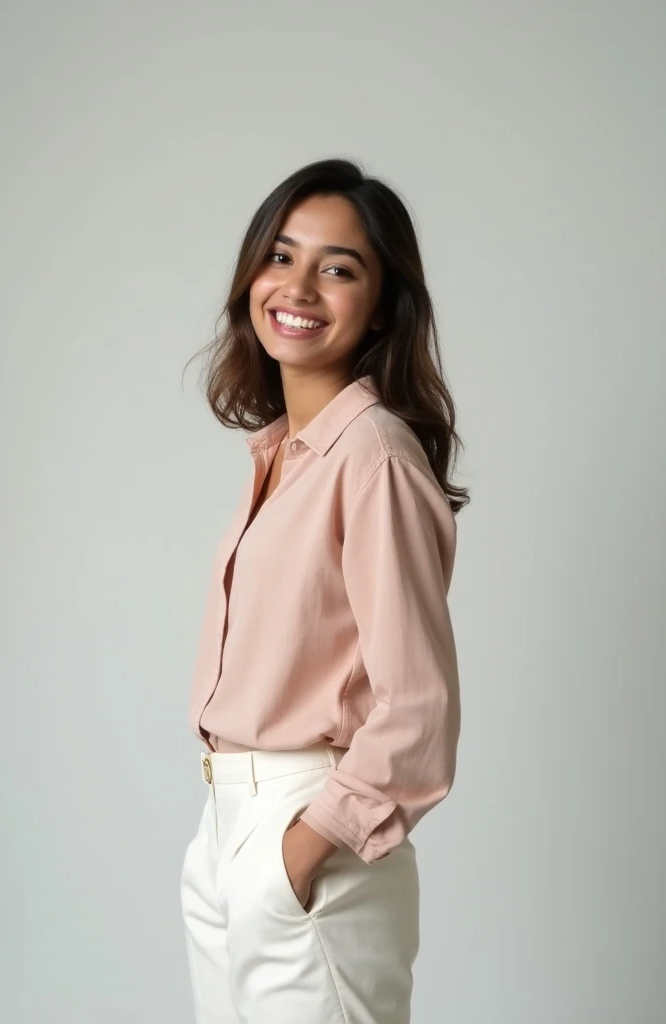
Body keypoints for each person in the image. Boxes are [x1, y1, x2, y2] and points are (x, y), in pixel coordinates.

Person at [180, 157, 469, 1024]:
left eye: (338, 267)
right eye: (280, 256)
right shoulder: (280, 458)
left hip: (306, 831)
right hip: (225, 826)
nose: (298, 285)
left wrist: (302, 850)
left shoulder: (372, 456)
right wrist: (238, 849)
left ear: (381, 303)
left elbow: (418, 706)